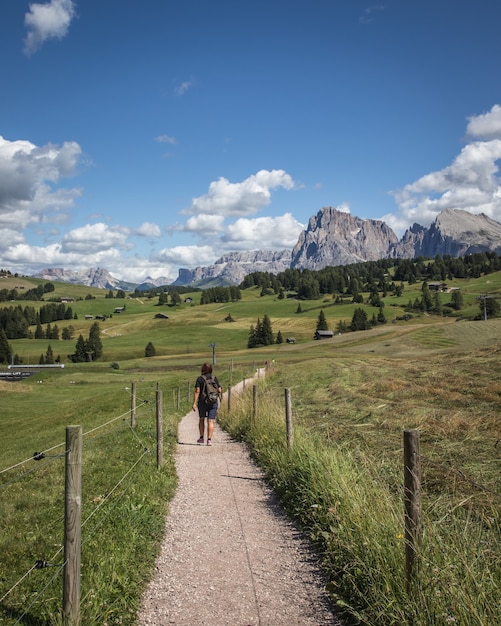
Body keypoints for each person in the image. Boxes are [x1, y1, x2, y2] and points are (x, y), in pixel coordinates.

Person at [192, 363, 222, 446]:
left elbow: (197, 391)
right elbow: (219, 390)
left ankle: (201, 438)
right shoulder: (214, 378)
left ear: (203, 369)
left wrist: (194, 403)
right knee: (210, 421)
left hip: (202, 402)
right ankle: (209, 440)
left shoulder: (200, 379)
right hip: (213, 401)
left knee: (202, 419)